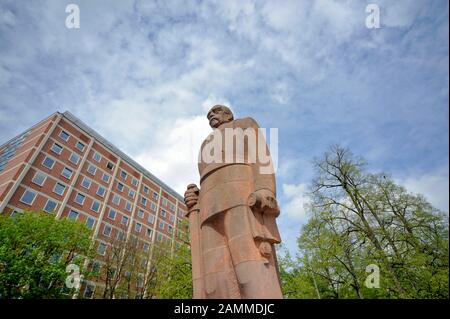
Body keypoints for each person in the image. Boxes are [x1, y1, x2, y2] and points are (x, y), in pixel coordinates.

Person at [184, 105, 283, 299]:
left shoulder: (244, 124)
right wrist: (196, 199)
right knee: (214, 281)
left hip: (240, 196)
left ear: (228, 114)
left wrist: (264, 189)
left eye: (216, 111)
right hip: (208, 206)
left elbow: (260, 156)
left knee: (250, 270)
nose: (211, 115)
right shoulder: (205, 143)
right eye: (208, 114)